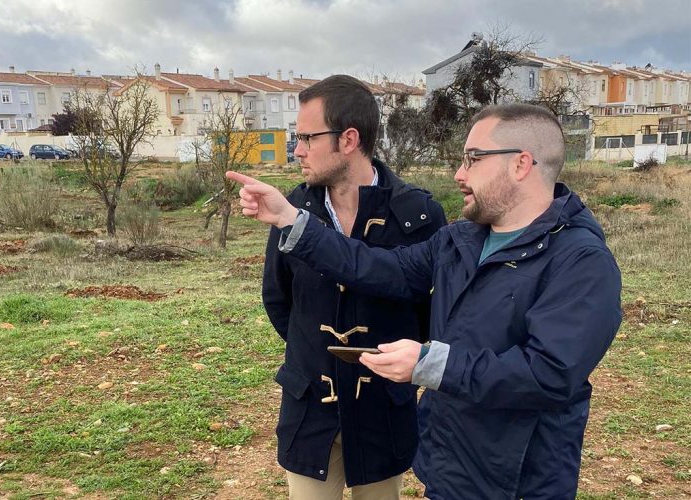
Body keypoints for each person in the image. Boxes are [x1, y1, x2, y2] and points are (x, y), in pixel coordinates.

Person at [227, 103, 622, 499]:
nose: (459, 174)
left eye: (473, 159)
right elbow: (375, 267)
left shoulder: (581, 261)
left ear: (521, 164)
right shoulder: (461, 239)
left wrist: (429, 364)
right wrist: (290, 221)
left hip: (520, 479)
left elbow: (550, 374)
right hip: (450, 467)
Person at [261, 74, 446, 499]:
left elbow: (428, 312)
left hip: (383, 407)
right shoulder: (293, 208)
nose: (298, 149)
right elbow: (278, 297)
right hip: (311, 403)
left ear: (348, 140)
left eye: (307, 137)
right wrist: (315, 354)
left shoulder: (417, 215)